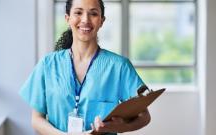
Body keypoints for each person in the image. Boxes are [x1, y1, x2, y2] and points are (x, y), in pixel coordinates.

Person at [19, 0, 151, 134]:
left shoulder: (119, 67)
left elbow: (144, 116)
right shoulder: (48, 65)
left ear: (101, 20)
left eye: (93, 14)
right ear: (67, 18)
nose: (85, 20)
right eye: (78, 12)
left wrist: (118, 127)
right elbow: (36, 119)